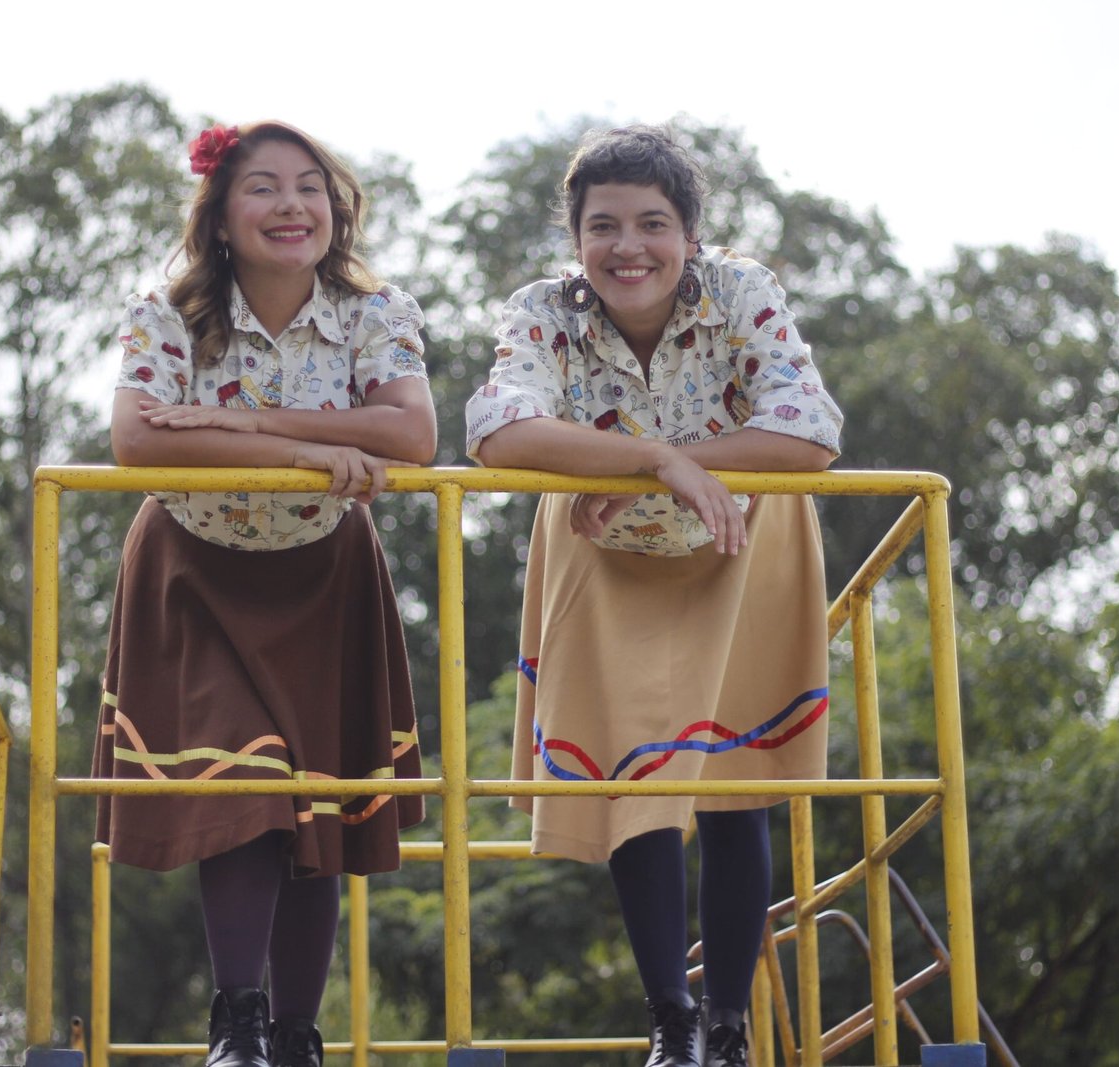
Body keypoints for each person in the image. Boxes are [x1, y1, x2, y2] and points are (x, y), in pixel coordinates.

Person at [466, 125, 843, 1067]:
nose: (628, 247)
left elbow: (808, 431)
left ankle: (727, 1022)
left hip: (738, 544)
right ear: (576, 238)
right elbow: (500, 429)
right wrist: (655, 459)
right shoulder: (545, 311)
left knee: (729, 787)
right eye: (604, 226)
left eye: (652, 224)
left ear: (692, 236)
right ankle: (671, 1020)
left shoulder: (742, 292)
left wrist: (662, 470)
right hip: (609, 557)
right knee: (639, 777)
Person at [93, 119, 436, 1067]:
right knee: (244, 780)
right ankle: (237, 1022)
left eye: (309, 187)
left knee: (313, 799)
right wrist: (310, 448)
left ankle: (296, 1034)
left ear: (336, 207)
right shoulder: (166, 310)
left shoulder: (376, 311)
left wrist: (236, 420)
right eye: (263, 188)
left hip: (322, 570)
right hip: (194, 567)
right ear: (220, 216)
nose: (291, 205)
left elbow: (409, 435)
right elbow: (141, 442)